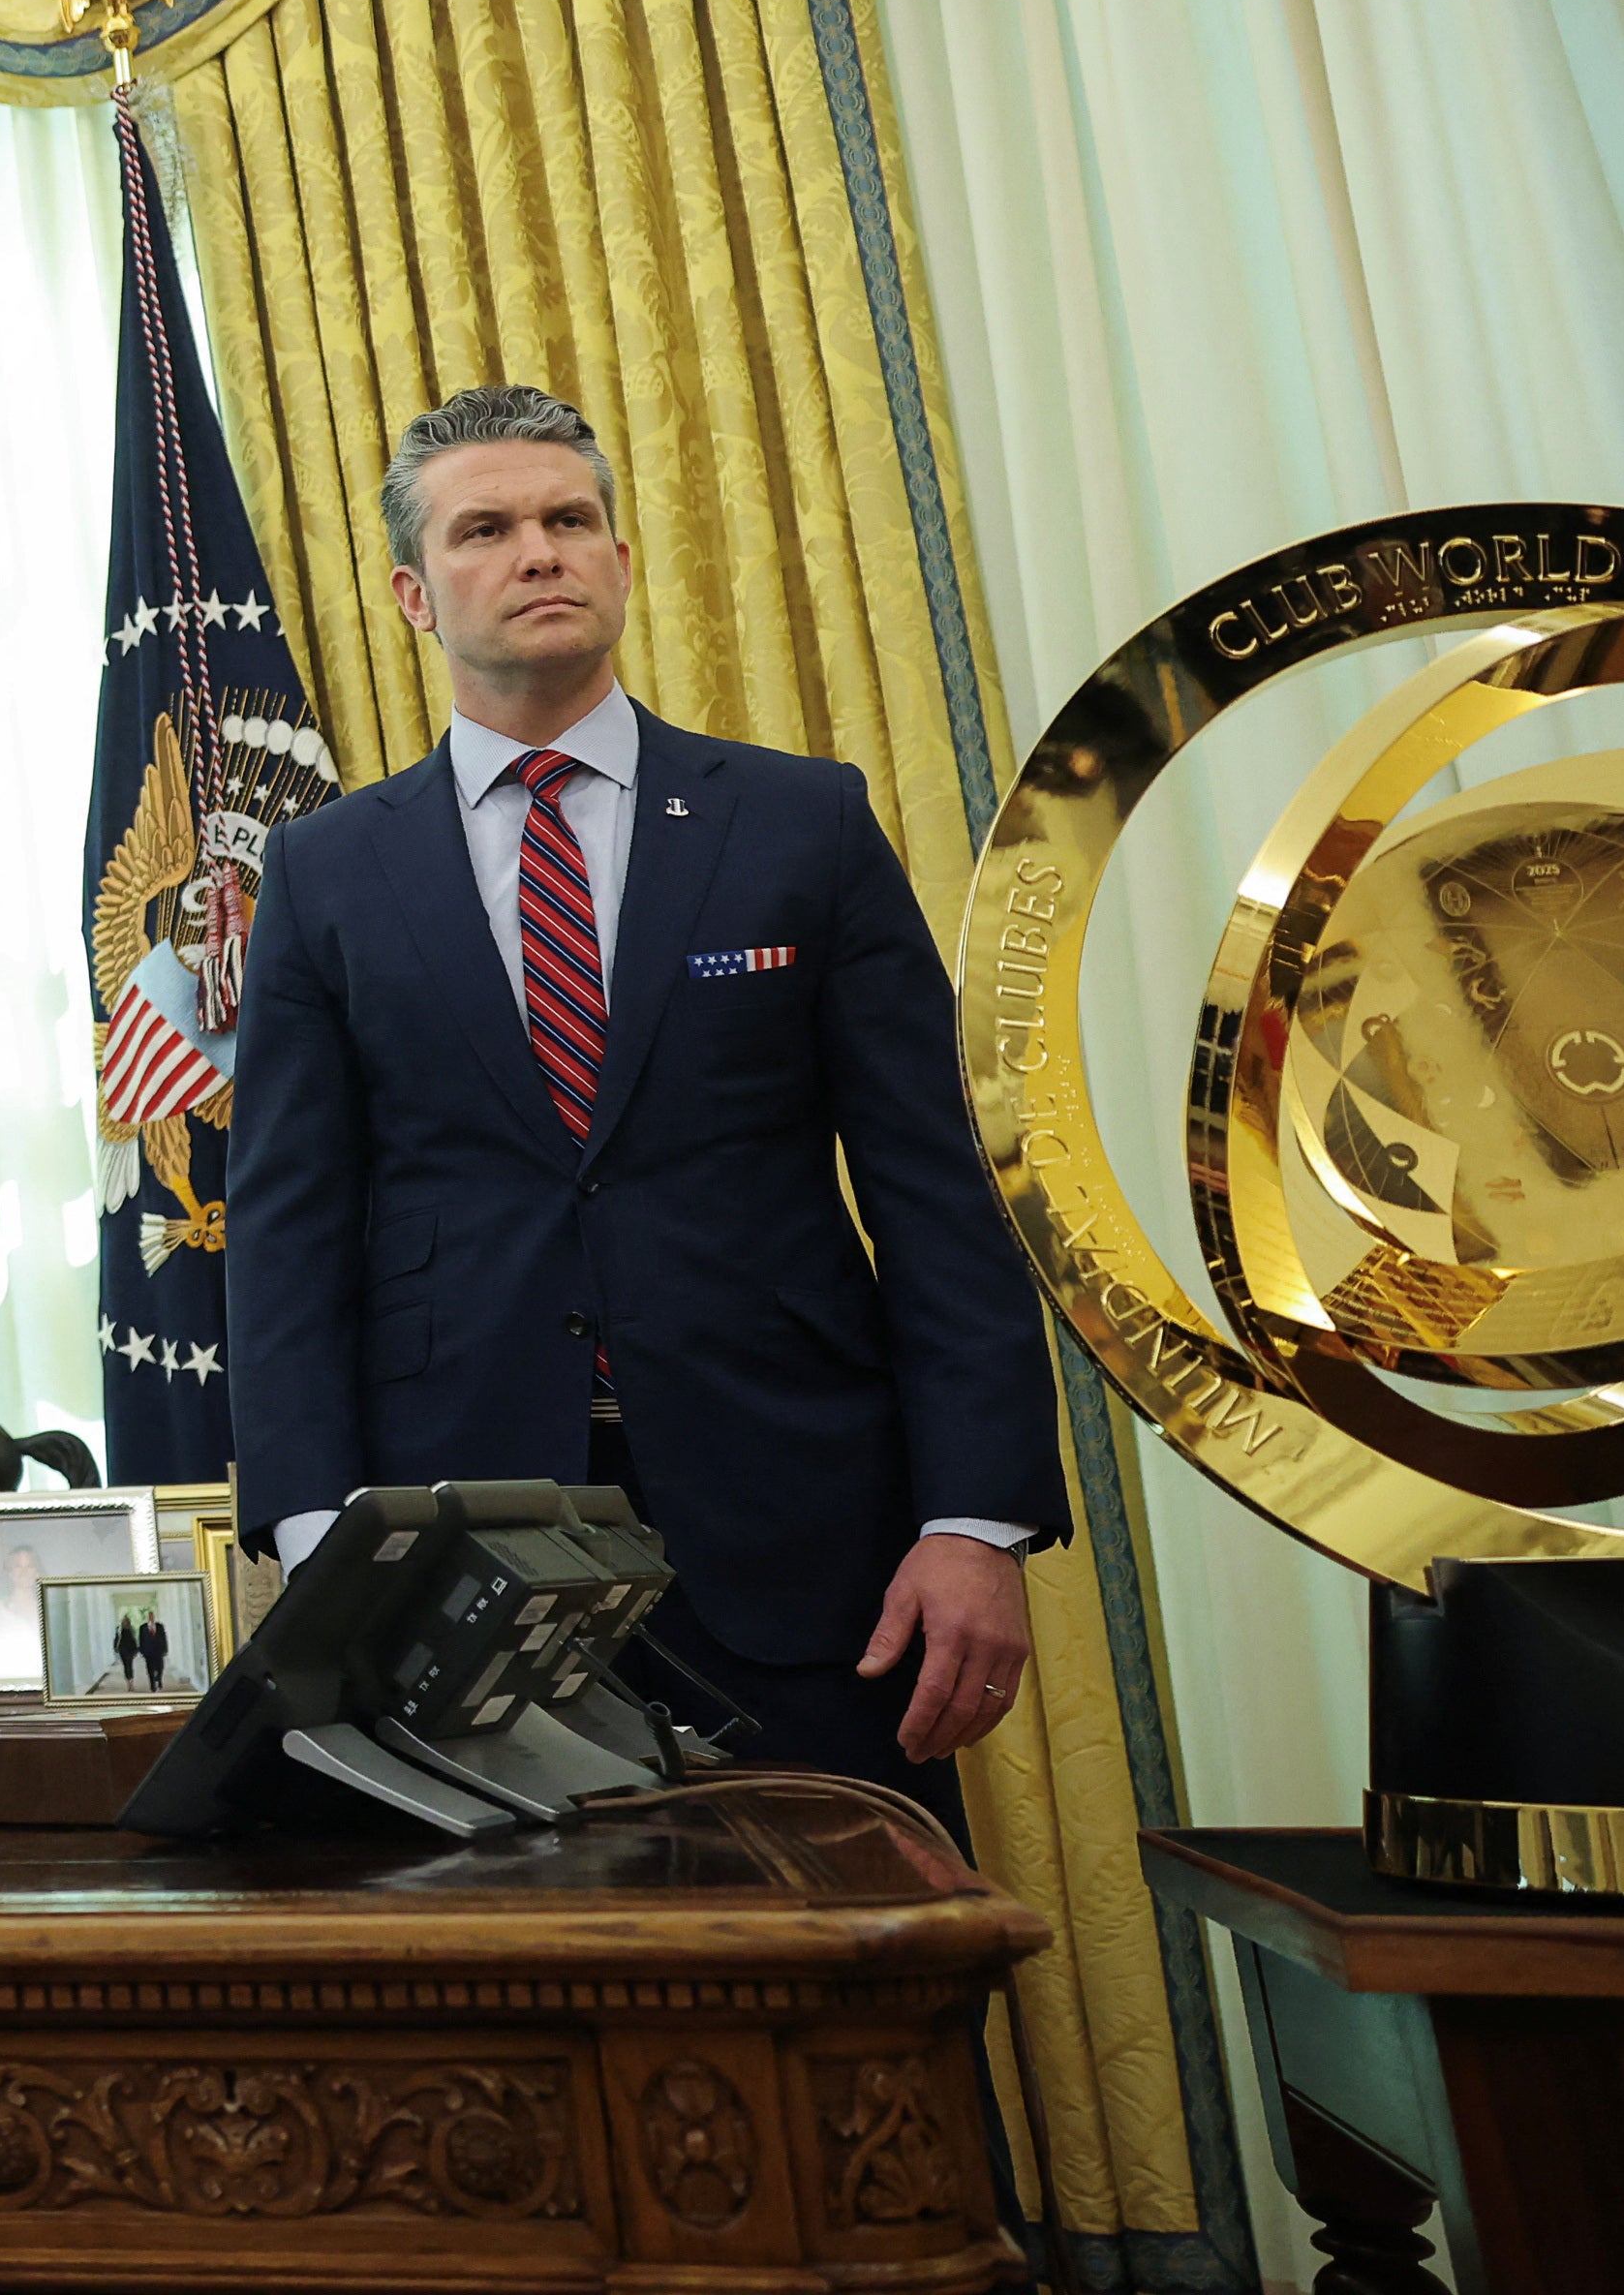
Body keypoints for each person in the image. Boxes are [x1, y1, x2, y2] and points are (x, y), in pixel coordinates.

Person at [225, 382, 1063, 1816]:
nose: (539, 551)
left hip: (803, 1538)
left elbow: (940, 1187)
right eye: (487, 530)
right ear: (416, 596)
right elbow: (288, 1229)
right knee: (524, 2016)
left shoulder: (805, 824)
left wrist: (974, 1521)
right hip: (459, 1556)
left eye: (570, 520)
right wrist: (320, 1547)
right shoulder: (325, 874)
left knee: (855, 1991)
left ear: (620, 561)